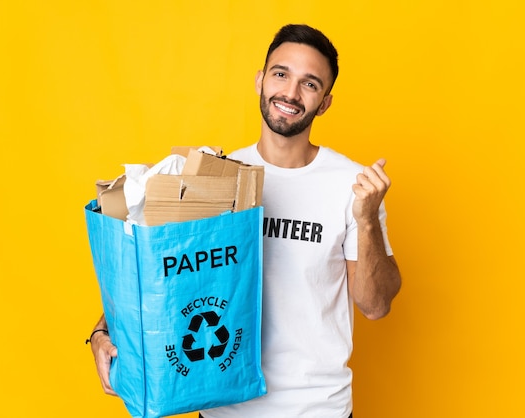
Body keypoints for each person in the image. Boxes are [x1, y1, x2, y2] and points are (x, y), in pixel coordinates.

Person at [89, 23, 401, 418]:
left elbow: (374, 306)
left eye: (310, 84)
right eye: (281, 74)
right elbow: (157, 268)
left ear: (325, 102)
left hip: (317, 409)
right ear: (260, 81)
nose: (289, 93)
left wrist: (368, 221)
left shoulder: (352, 187)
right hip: (222, 407)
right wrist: (103, 330)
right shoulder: (217, 177)